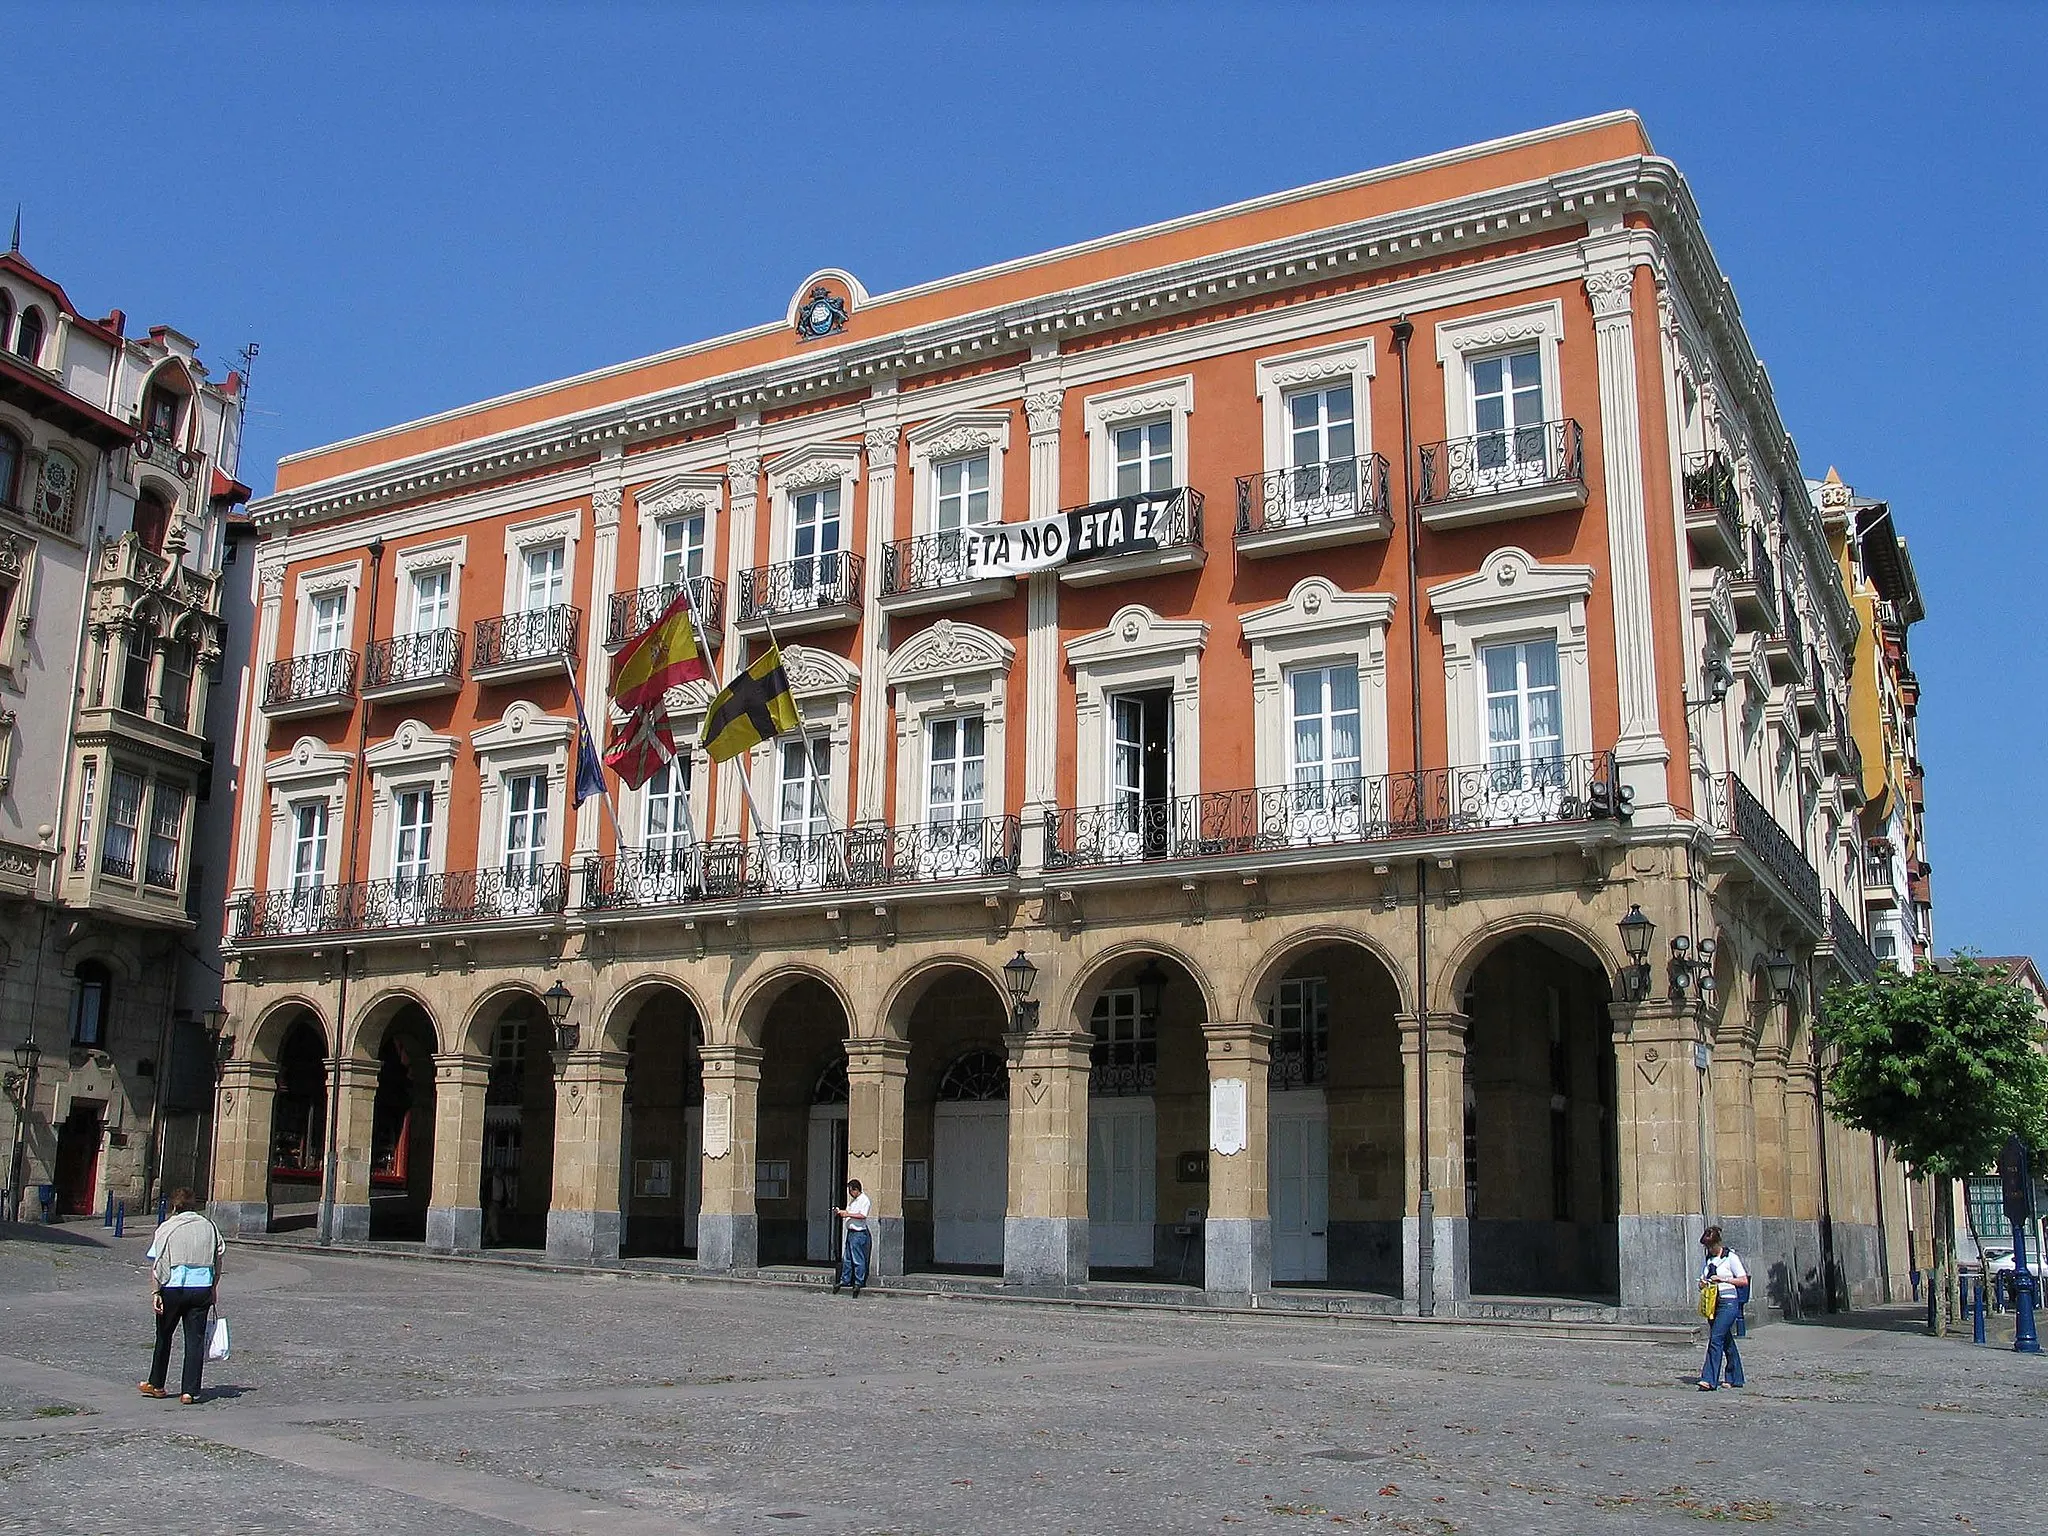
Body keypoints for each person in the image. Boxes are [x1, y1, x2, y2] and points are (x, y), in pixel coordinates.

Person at [140, 1189, 225, 1405]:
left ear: (175, 1207)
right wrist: (214, 1286)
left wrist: (156, 1291)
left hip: (173, 1287)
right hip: (201, 1287)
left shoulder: (167, 1228)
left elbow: (157, 1261)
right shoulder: (209, 1227)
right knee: (194, 1340)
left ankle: (157, 1383)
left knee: (164, 1336)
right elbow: (219, 1257)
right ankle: (189, 1391)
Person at [1697, 1225, 1749, 1390]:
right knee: (1727, 1341)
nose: (1709, 1249)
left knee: (1716, 1338)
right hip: (1713, 1303)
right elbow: (1701, 1281)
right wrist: (1703, 1283)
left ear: (1717, 1243)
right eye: (1706, 1247)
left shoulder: (1730, 1257)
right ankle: (1735, 1377)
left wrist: (1724, 1280)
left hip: (1728, 1302)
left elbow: (1743, 1280)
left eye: (1710, 1246)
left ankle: (1709, 1379)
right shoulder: (1709, 1260)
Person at [831, 1178, 871, 1297]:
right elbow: (849, 1212)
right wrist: (840, 1212)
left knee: (858, 1259)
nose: (849, 1193)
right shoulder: (853, 1201)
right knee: (847, 1258)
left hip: (859, 1233)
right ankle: (845, 1280)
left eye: (850, 1190)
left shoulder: (864, 1200)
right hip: (850, 1232)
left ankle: (859, 1281)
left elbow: (862, 1215)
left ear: (856, 1190)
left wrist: (848, 1214)